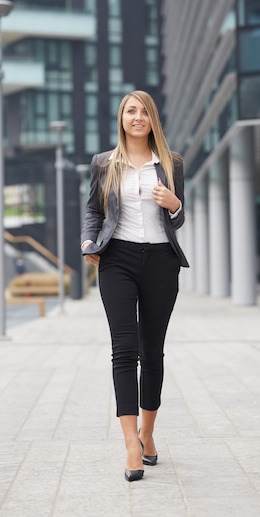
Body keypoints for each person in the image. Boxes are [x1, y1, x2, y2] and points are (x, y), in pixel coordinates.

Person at [81, 90, 189, 482]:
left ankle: (148, 431)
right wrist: (87, 243)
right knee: (123, 351)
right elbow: (93, 210)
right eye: (131, 110)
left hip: (161, 262)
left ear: (152, 119)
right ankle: (130, 443)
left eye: (144, 111)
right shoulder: (105, 163)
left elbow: (178, 219)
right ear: (121, 118)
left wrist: (173, 202)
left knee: (152, 353)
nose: (137, 117)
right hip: (118, 261)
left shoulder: (171, 164)